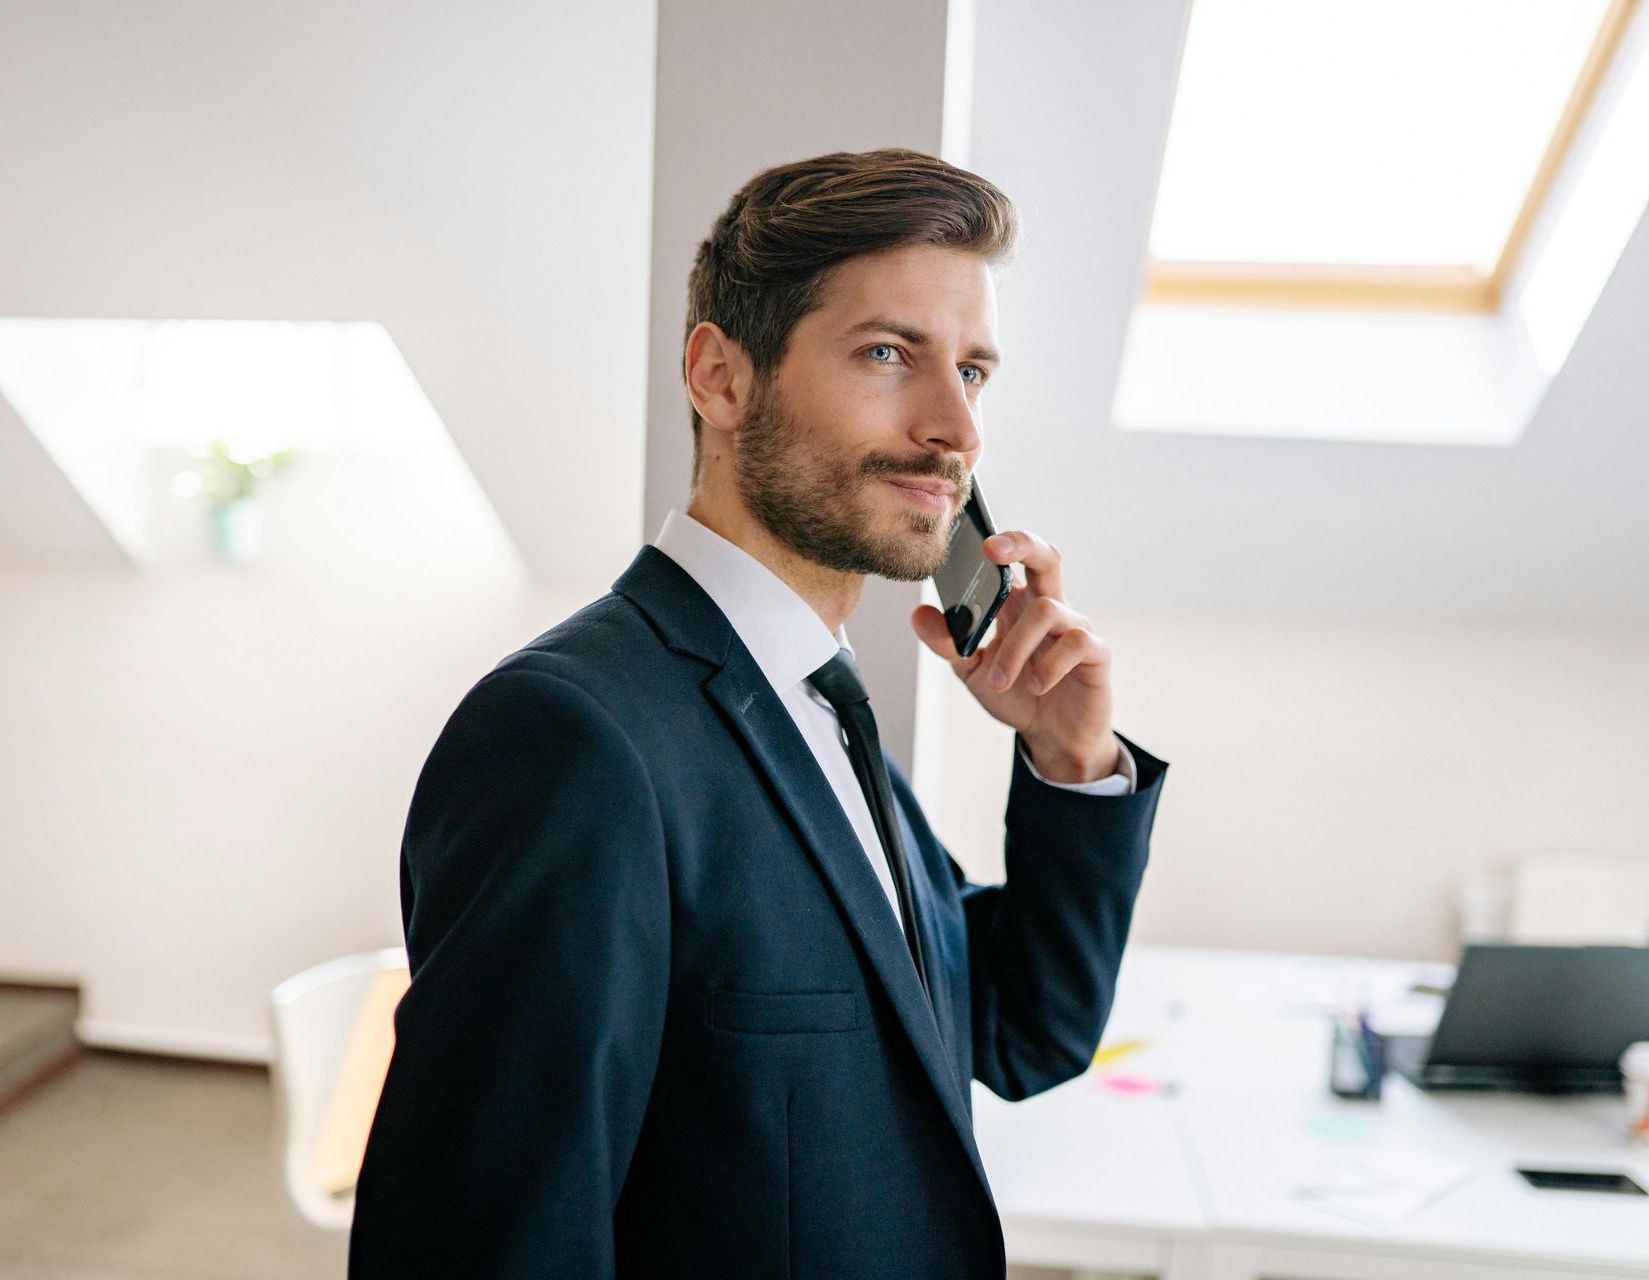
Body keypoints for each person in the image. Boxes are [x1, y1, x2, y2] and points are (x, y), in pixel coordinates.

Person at [349, 148, 1167, 1279]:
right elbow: (480, 1241)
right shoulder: (571, 740)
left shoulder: (814, 698)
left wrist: (1070, 759)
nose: (955, 427)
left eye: (972, 372)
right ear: (720, 377)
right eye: (889, 353)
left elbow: (1023, 1032)